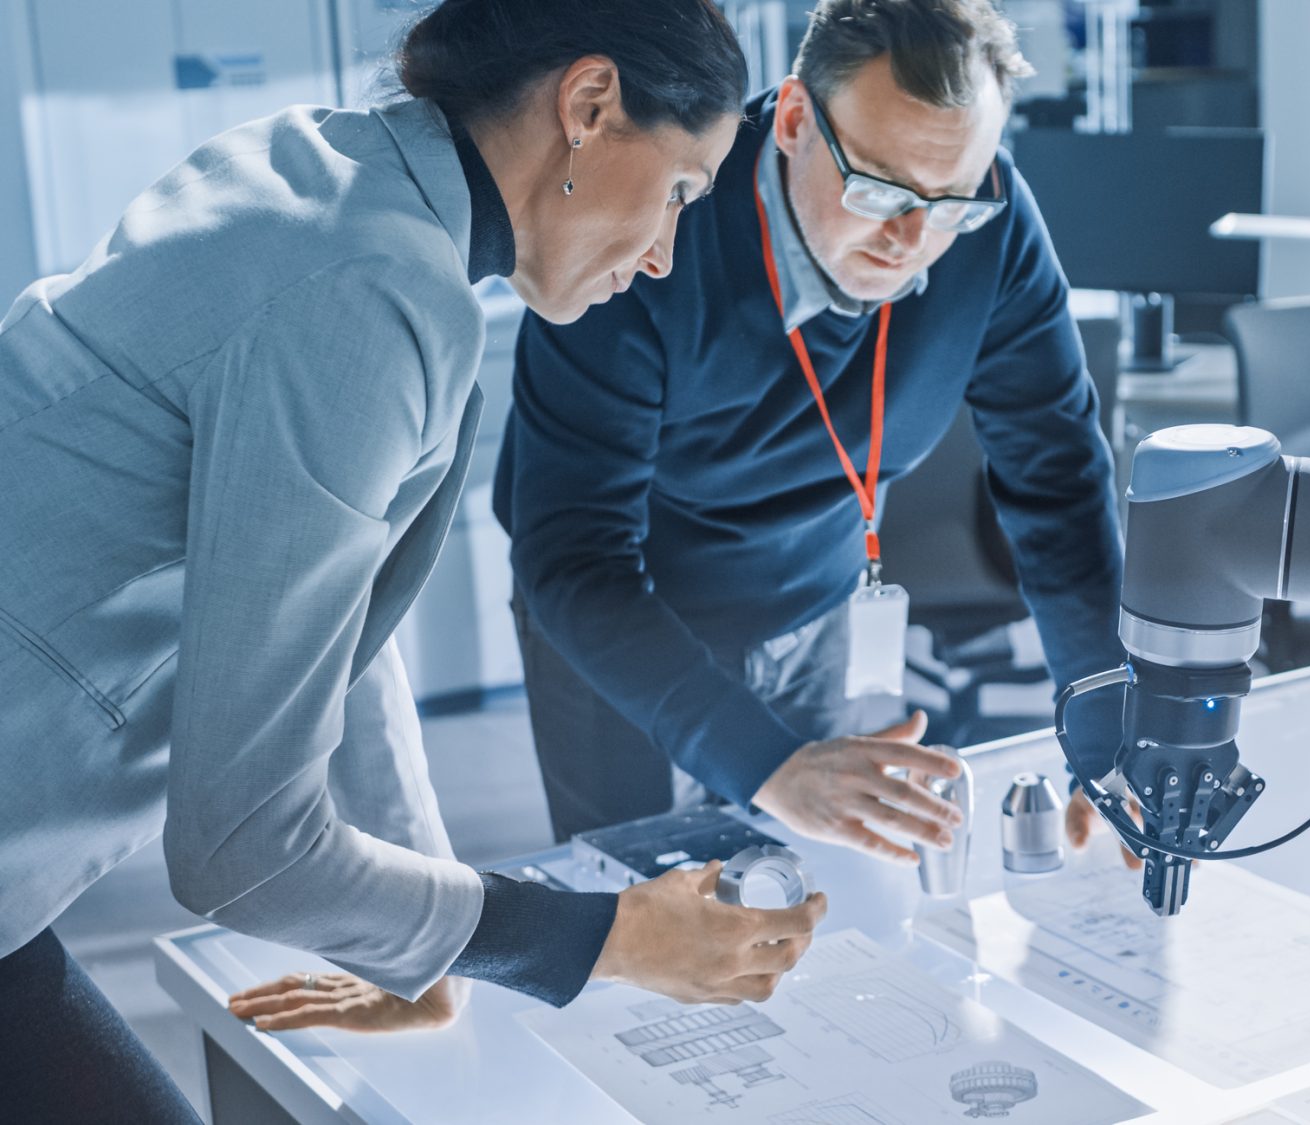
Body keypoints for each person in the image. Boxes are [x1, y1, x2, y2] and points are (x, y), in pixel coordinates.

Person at [0, 3, 825, 1120]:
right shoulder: (373, 290)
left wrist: (426, 953)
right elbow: (241, 849)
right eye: (680, 189)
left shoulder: (328, 177)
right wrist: (597, 939)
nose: (668, 251)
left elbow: (321, 625)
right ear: (586, 107)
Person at [498, 0, 1133, 868]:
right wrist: (768, 765)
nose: (911, 241)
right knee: (641, 911)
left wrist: (1105, 717)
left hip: (823, 606)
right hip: (629, 623)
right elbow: (572, 555)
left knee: (827, 900)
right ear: (795, 120)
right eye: (878, 188)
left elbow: (1057, 481)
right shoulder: (647, 226)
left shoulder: (990, 220)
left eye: (950, 202)